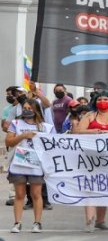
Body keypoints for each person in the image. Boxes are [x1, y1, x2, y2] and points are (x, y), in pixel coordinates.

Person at [75, 92, 108, 232]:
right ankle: (89, 219)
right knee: (90, 187)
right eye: (99, 99)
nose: (102, 101)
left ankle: (100, 221)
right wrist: (93, 132)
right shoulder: (89, 116)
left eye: (105, 99)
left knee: (104, 188)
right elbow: (79, 131)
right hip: (91, 158)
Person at [5, 99, 54, 233]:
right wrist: (23, 136)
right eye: (25, 108)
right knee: (20, 194)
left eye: (30, 108)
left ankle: (37, 222)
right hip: (19, 163)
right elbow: (8, 141)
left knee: (36, 194)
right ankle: (17, 223)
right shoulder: (16, 123)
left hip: (36, 165)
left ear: (36, 110)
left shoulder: (45, 127)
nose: (27, 110)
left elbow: (54, 145)